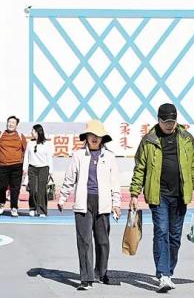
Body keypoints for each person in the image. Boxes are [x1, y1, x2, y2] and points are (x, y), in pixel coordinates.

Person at [129, 103, 194, 293]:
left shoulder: (186, 138)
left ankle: (168, 272)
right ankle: (163, 274)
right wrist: (134, 193)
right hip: (159, 195)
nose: (169, 125)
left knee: (175, 237)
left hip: (180, 195)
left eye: (172, 122)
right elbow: (140, 168)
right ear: (159, 120)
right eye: (166, 122)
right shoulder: (149, 140)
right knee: (161, 231)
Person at [58, 120, 121, 290]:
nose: (94, 138)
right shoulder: (78, 155)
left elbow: (115, 182)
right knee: (84, 241)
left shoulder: (109, 157)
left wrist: (116, 203)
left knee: (102, 241)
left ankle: (101, 272)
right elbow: (70, 178)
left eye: (98, 136)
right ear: (86, 137)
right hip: (83, 202)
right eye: (91, 135)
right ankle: (86, 278)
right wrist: (63, 197)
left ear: (103, 138)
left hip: (103, 203)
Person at [0, 116, 28, 217]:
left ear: (16, 125)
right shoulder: (0, 134)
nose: (10, 124)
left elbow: (26, 151)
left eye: (13, 123)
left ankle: (14, 208)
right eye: (9, 122)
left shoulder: (20, 136)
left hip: (17, 166)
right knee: (1, 187)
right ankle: (2, 202)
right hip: (3, 165)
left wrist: (25, 166)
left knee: (15, 188)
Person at [23, 124, 54, 217]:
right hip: (32, 168)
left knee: (41, 190)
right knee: (33, 190)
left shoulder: (47, 144)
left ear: (37, 132)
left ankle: (42, 210)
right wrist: (24, 168)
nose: (31, 132)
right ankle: (32, 207)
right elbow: (26, 156)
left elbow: (49, 158)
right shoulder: (30, 143)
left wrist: (50, 171)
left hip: (43, 169)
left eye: (32, 131)